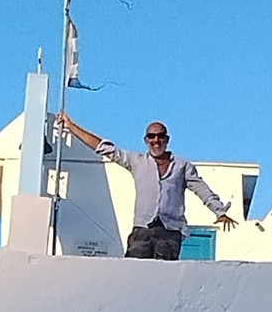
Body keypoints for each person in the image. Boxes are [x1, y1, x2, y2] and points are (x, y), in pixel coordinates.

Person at [55, 111, 238, 260]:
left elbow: (201, 189)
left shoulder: (182, 166)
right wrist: (72, 127)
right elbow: (105, 148)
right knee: (133, 276)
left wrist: (219, 211)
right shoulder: (137, 161)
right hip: (142, 231)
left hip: (169, 232)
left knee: (164, 279)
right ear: (146, 140)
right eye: (151, 136)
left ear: (166, 140)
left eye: (160, 136)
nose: (156, 140)